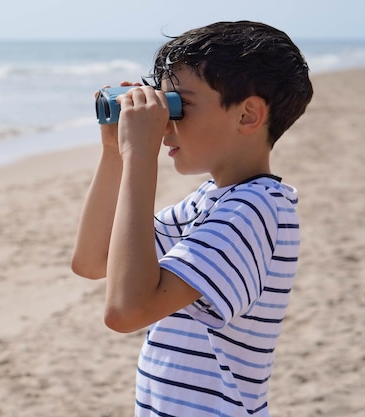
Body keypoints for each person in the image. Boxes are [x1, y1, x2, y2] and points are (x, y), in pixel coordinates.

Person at [71, 21, 313, 416]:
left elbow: (125, 311)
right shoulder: (211, 201)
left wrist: (141, 156)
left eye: (178, 105)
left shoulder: (255, 210)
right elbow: (93, 260)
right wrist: (115, 151)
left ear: (248, 115)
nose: (165, 123)